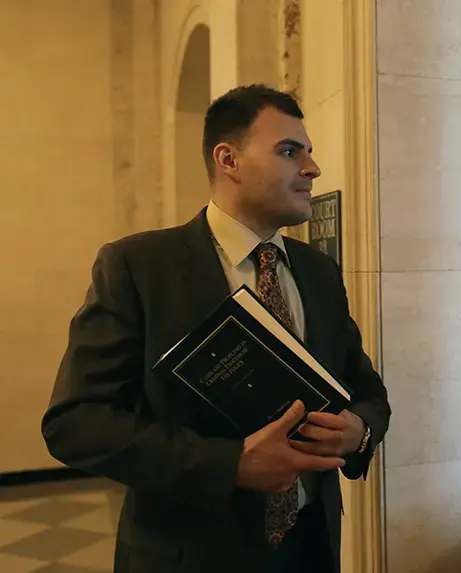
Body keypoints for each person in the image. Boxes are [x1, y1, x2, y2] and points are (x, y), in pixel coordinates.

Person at [41, 84, 391, 573]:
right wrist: (229, 464)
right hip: (189, 555)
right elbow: (76, 424)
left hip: (310, 549)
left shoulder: (319, 271)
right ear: (229, 160)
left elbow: (367, 390)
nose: (312, 168)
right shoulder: (139, 266)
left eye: (308, 152)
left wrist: (358, 431)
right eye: (289, 151)